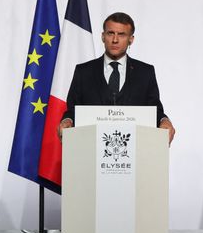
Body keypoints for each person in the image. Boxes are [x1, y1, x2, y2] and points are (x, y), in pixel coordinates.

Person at [58, 12, 175, 143]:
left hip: (135, 148)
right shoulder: (83, 71)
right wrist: (67, 120)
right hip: (90, 146)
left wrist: (164, 120)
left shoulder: (145, 72)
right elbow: (73, 110)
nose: (115, 40)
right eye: (110, 33)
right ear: (103, 36)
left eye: (121, 34)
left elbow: (155, 110)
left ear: (131, 39)